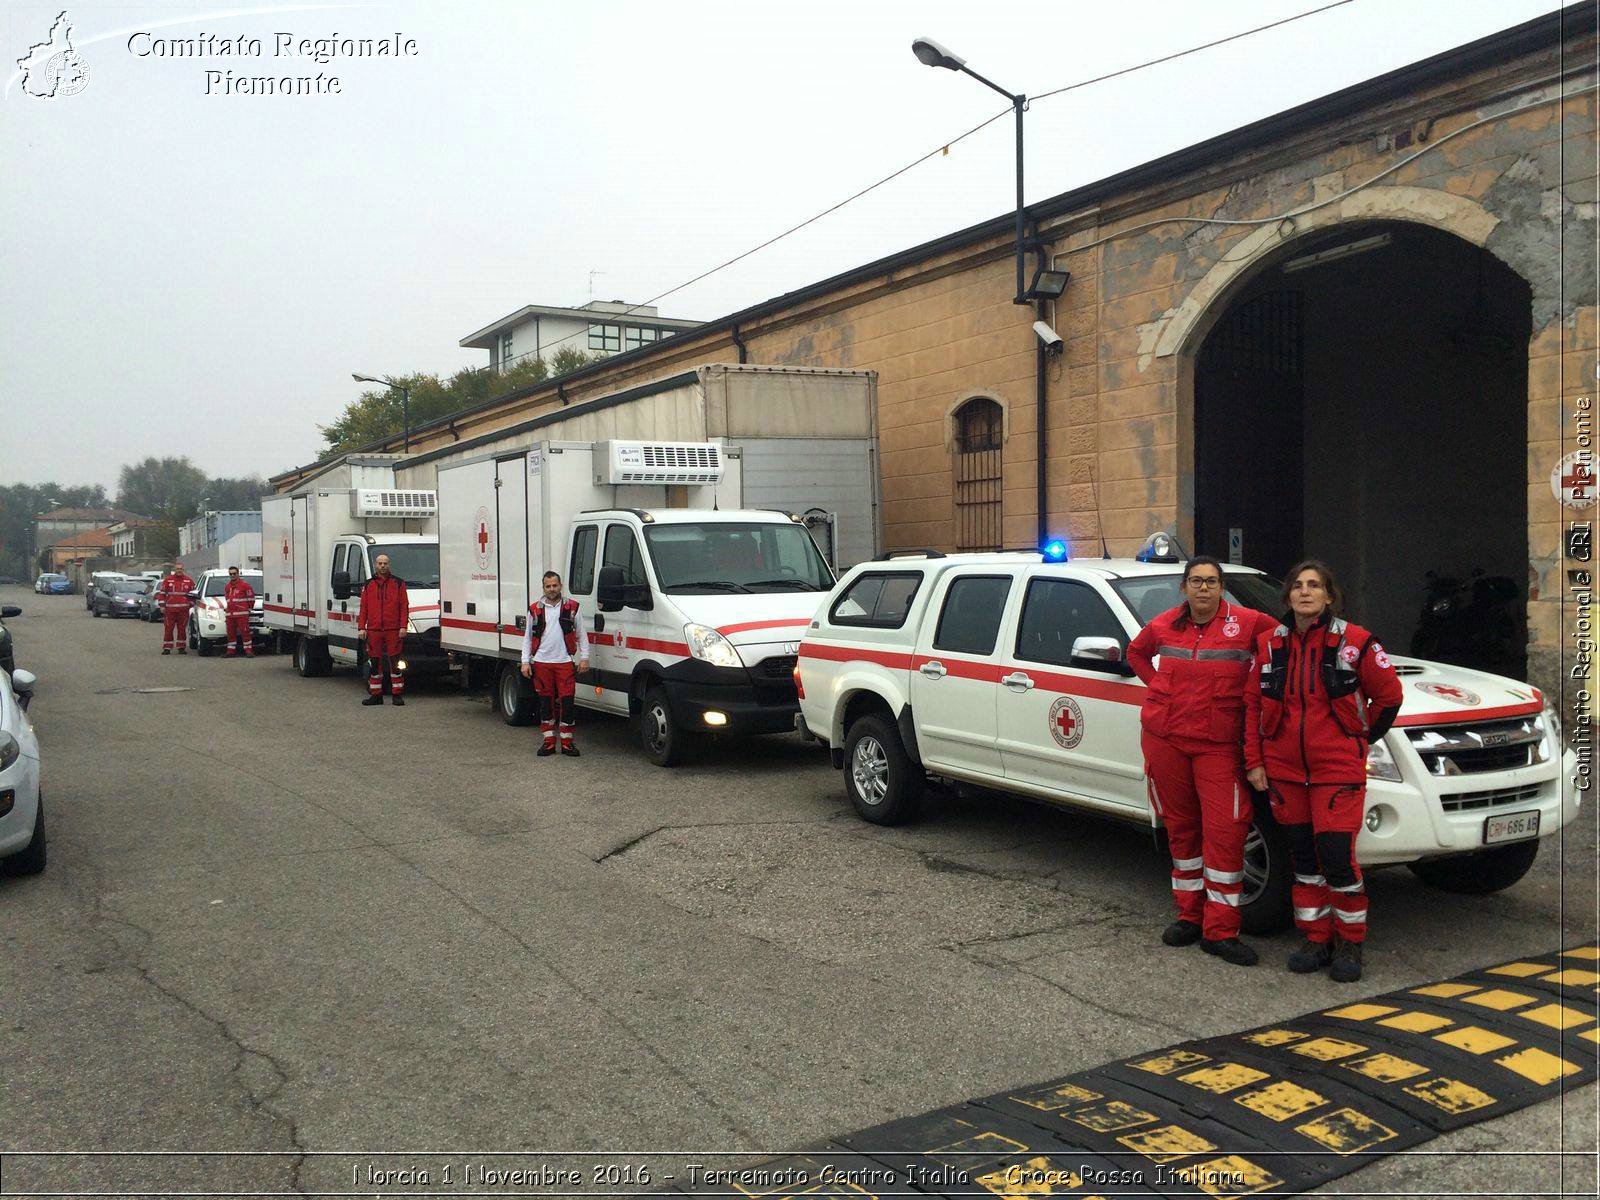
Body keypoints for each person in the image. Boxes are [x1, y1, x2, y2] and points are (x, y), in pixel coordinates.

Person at [1244, 560, 1403, 984]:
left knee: (1337, 860)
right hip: (1285, 773)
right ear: (1288, 596)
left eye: (1314, 586)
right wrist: (1255, 762)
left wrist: (1359, 741)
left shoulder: (1357, 642)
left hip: (1337, 772)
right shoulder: (1269, 645)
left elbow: (1388, 697)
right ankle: (1316, 939)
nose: (1305, 592)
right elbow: (1253, 708)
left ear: (1329, 596)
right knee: (1304, 861)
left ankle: (1351, 943)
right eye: (1297, 585)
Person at [1127, 556, 1277, 967]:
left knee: (1225, 832)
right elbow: (1136, 652)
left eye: (1211, 582)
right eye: (1196, 581)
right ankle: (1189, 916)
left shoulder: (1250, 622)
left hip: (1219, 745)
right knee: (1182, 830)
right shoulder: (1164, 624)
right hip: (1167, 739)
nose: (1203, 589)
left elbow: (1284, 647)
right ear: (1185, 587)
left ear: (1221, 586)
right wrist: (1157, 685)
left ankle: (1221, 930)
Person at [520, 571, 590, 757]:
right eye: (548, 586)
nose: (552, 589)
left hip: (565, 662)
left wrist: (584, 657)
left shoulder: (572, 607)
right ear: (543, 587)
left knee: (567, 702)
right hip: (542, 662)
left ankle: (567, 743)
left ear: (560, 586)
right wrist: (525, 661)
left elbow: (582, 634)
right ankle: (548, 742)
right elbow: (527, 637)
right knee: (545, 703)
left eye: (555, 585)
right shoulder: (534, 609)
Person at [357, 553, 410, 707]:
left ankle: (397, 695)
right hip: (374, 630)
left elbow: (404, 606)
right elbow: (364, 608)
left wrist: (403, 626)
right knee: (374, 662)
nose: (382, 566)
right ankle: (376, 695)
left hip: (393, 629)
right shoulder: (368, 584)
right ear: (375, 565)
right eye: (380, 563)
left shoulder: (399, 583)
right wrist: (362, 627)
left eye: (385, 563)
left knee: (395, 662)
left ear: (389, 565)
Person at [156, 562, 196, 655]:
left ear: (183, 570)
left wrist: (191, 605)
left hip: (183, 610)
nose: (179, 570)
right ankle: (167, 647)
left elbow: (193, 594)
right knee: (168, 629)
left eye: (181, 569)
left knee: (182, 629)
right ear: (174, 570)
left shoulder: (188, 581)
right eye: (177, 569)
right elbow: (162, 594)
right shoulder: (168, 580)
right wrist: (162, 606)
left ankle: (181, 647)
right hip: (170, 610)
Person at [222, 566, 255, 658]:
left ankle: (248, 650)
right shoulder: (227, 587)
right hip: (230, 615)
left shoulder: (245, 586)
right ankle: (230, 651)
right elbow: (227, 599)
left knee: (245, 633)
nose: (232, 575)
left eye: (234, 574)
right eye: (230, 574)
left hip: (242, 615)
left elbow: (251, 599)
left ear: (238, 574)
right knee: (230, 633)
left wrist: (248, 609)